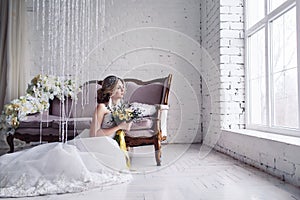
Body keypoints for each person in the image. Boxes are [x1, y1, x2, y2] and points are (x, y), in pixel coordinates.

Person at [0, 75, 132, 198]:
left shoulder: (117, 108)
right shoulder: (101, 108)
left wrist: (125, 126)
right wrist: (119, 127)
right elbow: (94, 134)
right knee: (60, 159)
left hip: (107, 144)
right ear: (111, 90)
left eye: (123, 87)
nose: (123, 90)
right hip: (95, 144)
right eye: (119, 87)